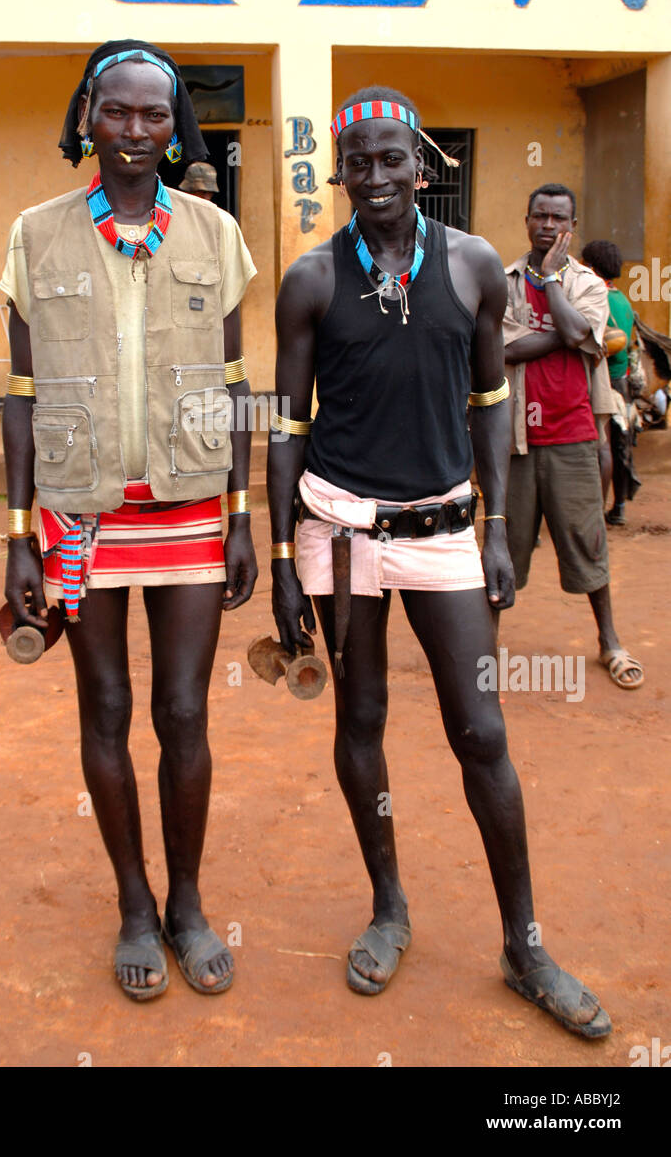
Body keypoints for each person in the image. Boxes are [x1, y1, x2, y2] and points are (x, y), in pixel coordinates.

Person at [268, 86, 611, 1038]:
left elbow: (490, 399)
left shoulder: (469, 268)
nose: (375, 178)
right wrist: (286, 563)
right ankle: (388, 905)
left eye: (392, 160)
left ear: (423, 164)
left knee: (482, 733)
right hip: (336, 529)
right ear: (341, 172)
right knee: (361, 717)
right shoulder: (311, 280)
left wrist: (497, 525)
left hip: (445, 529)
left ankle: (524, 943)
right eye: (359, 163)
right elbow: (288, 428)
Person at [0, 40, 257, 1001]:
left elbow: (234, 385)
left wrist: (241, 517)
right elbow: (20, 392)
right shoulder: (38, 233)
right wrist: (18, 532)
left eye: (157, 115)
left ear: (176, 123)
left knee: (183, 711)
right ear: (87, 116)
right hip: (81, 513)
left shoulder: (213, 233)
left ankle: (189, 904)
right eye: (118, 112)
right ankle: (135, 909)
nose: (137, 133)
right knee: (103, 709)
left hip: (191, 508)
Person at [503, 187, 643, 691]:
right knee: (504, 545)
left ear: (572, 226)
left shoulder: (590, 284)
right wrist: (565, 333)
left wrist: (555, 286)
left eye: (557, 218)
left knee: (588, 541)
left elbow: (582, 333)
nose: (547, 224)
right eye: (539, 215)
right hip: (516, 440)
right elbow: (505, 349)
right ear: (526, 221)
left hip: (574, 437)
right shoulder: (504, 282)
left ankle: (609, 642)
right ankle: (479, 650)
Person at [580, 240, 640, 524]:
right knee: (620, 446)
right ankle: (618, 508)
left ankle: (594, 512)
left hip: (606, 380)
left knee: (602, 446)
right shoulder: (623, 301)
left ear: (591, 267)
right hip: (623, 382)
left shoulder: (597, 298)